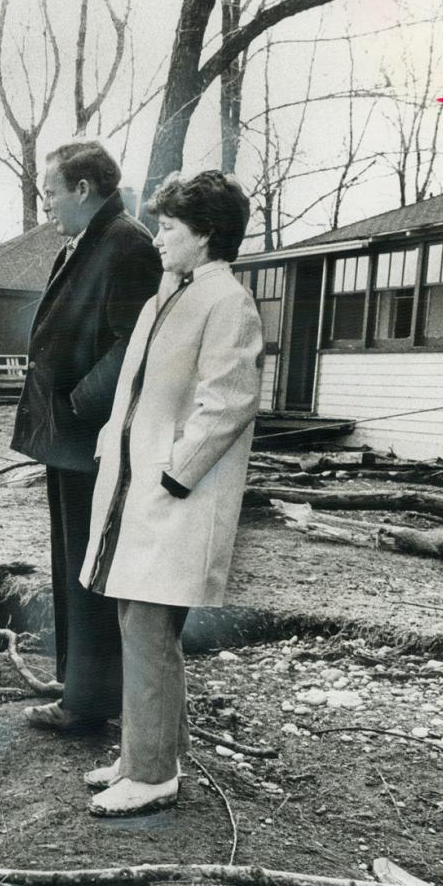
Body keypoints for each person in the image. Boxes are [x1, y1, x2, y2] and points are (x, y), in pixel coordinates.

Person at [79, 169, 262, 817]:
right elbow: (138, 391)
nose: (158, 238)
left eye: (171, 228)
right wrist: (114, 442)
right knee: (139, 622)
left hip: (176, 497)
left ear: (207, 235)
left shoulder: (227, 302)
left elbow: (229, 402)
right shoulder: (172, 294)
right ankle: (148, 755)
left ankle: (153, 776)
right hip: (142, 490)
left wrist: (173, 472)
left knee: (151, 627)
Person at [11, 140, 162, 732]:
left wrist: (80, 404)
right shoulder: (86, 241)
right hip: (68, 441)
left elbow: (136, 343)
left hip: (92, 439)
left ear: (82, 189)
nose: (45, 203)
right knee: (71, 560)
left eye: (50, 191)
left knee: (91, 565)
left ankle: (89, 705)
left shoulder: (126, 244)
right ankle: (77, 680)